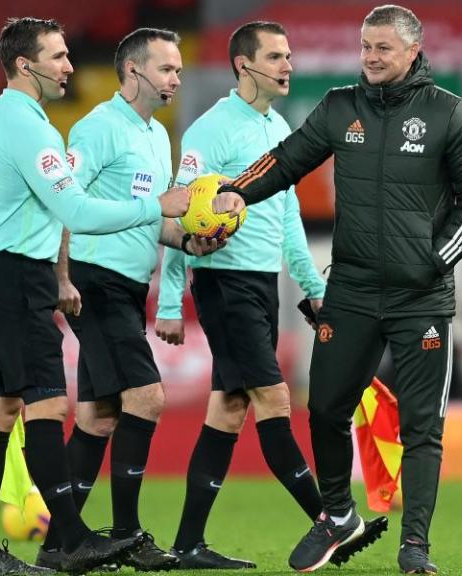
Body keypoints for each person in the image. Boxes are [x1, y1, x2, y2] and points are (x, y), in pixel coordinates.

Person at [213, 5, 462, 574]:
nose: (369, 57)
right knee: (324, 409)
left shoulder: (448, 114)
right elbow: (286, 161)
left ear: (413, 52)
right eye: (366, 46)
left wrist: (435, 260)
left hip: (422, 300)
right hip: (353, 291)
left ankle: (414, 547)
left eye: (382, 48)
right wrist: (236, 191)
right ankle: (339, 515)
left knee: (423, 428)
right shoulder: (340, 106)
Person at [0, 17, 192, 576]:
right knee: (48, 405)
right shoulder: (30, 128)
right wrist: (155, 205)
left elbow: (50, 212)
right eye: (59, 57)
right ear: (24, 64)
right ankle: (70, 537)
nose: (70, 66)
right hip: (15, 279)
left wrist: (62, 275)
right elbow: (78, 212)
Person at [153, 21, 388, 570]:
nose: (288, 65)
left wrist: (312, 287)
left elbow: (286, 222)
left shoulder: (279, 126)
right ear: (243, 64)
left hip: (261, 283)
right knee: (274, 400)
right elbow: (181, 213)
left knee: (229, 409)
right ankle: (332, 521)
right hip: (224, 283)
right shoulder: (209, 132)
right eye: (277, 56)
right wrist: (168, 301)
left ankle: (188, 544)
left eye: (289, 55)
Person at [36, 28, 221, 572]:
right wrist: (62, 277)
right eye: (167, 69)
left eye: (179, 70)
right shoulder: (98, 128)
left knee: (97, 417)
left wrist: (188, 240)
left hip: (127, 285)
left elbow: (148, 218)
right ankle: (129, 535)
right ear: (135, 72)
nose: (176, 78)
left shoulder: (156, 135)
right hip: (95, 281)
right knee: (147, 398)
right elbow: (63, 202)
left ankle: (57, 549)